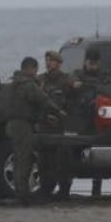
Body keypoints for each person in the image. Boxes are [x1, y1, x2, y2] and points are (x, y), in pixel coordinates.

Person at [0, 56, 64, 206]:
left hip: (12, 124)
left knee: (18, 159)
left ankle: (20, 192)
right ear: (31, 69)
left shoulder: (15, 83)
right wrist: (58, 111)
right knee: (24, 159)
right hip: (22, 125)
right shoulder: (27, 84)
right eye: (35, 69)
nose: (36, 72)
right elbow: (42, 100)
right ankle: (23, 196)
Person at [70, 48, 111, 196]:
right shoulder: (78, 74)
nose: (92, 66)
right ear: (85, 62)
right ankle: (67, 187)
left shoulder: (104, 75)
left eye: (95, 63)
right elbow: (73, 83)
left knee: (97, 156)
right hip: (81, 120)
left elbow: (109, 87)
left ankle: (96, 189)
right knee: (73, 153)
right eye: (90, 63)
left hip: (98, 119)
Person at [37, 50, 76, 199]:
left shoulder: (66, 80)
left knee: (63, 160)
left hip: (60, 125)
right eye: (46, 60)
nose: (48, 63)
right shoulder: (41, 80)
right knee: (44, 159)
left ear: (58, 63)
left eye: (51, 61)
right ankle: (46, 188)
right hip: (45, 124)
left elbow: (73, 98)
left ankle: (64, 189)